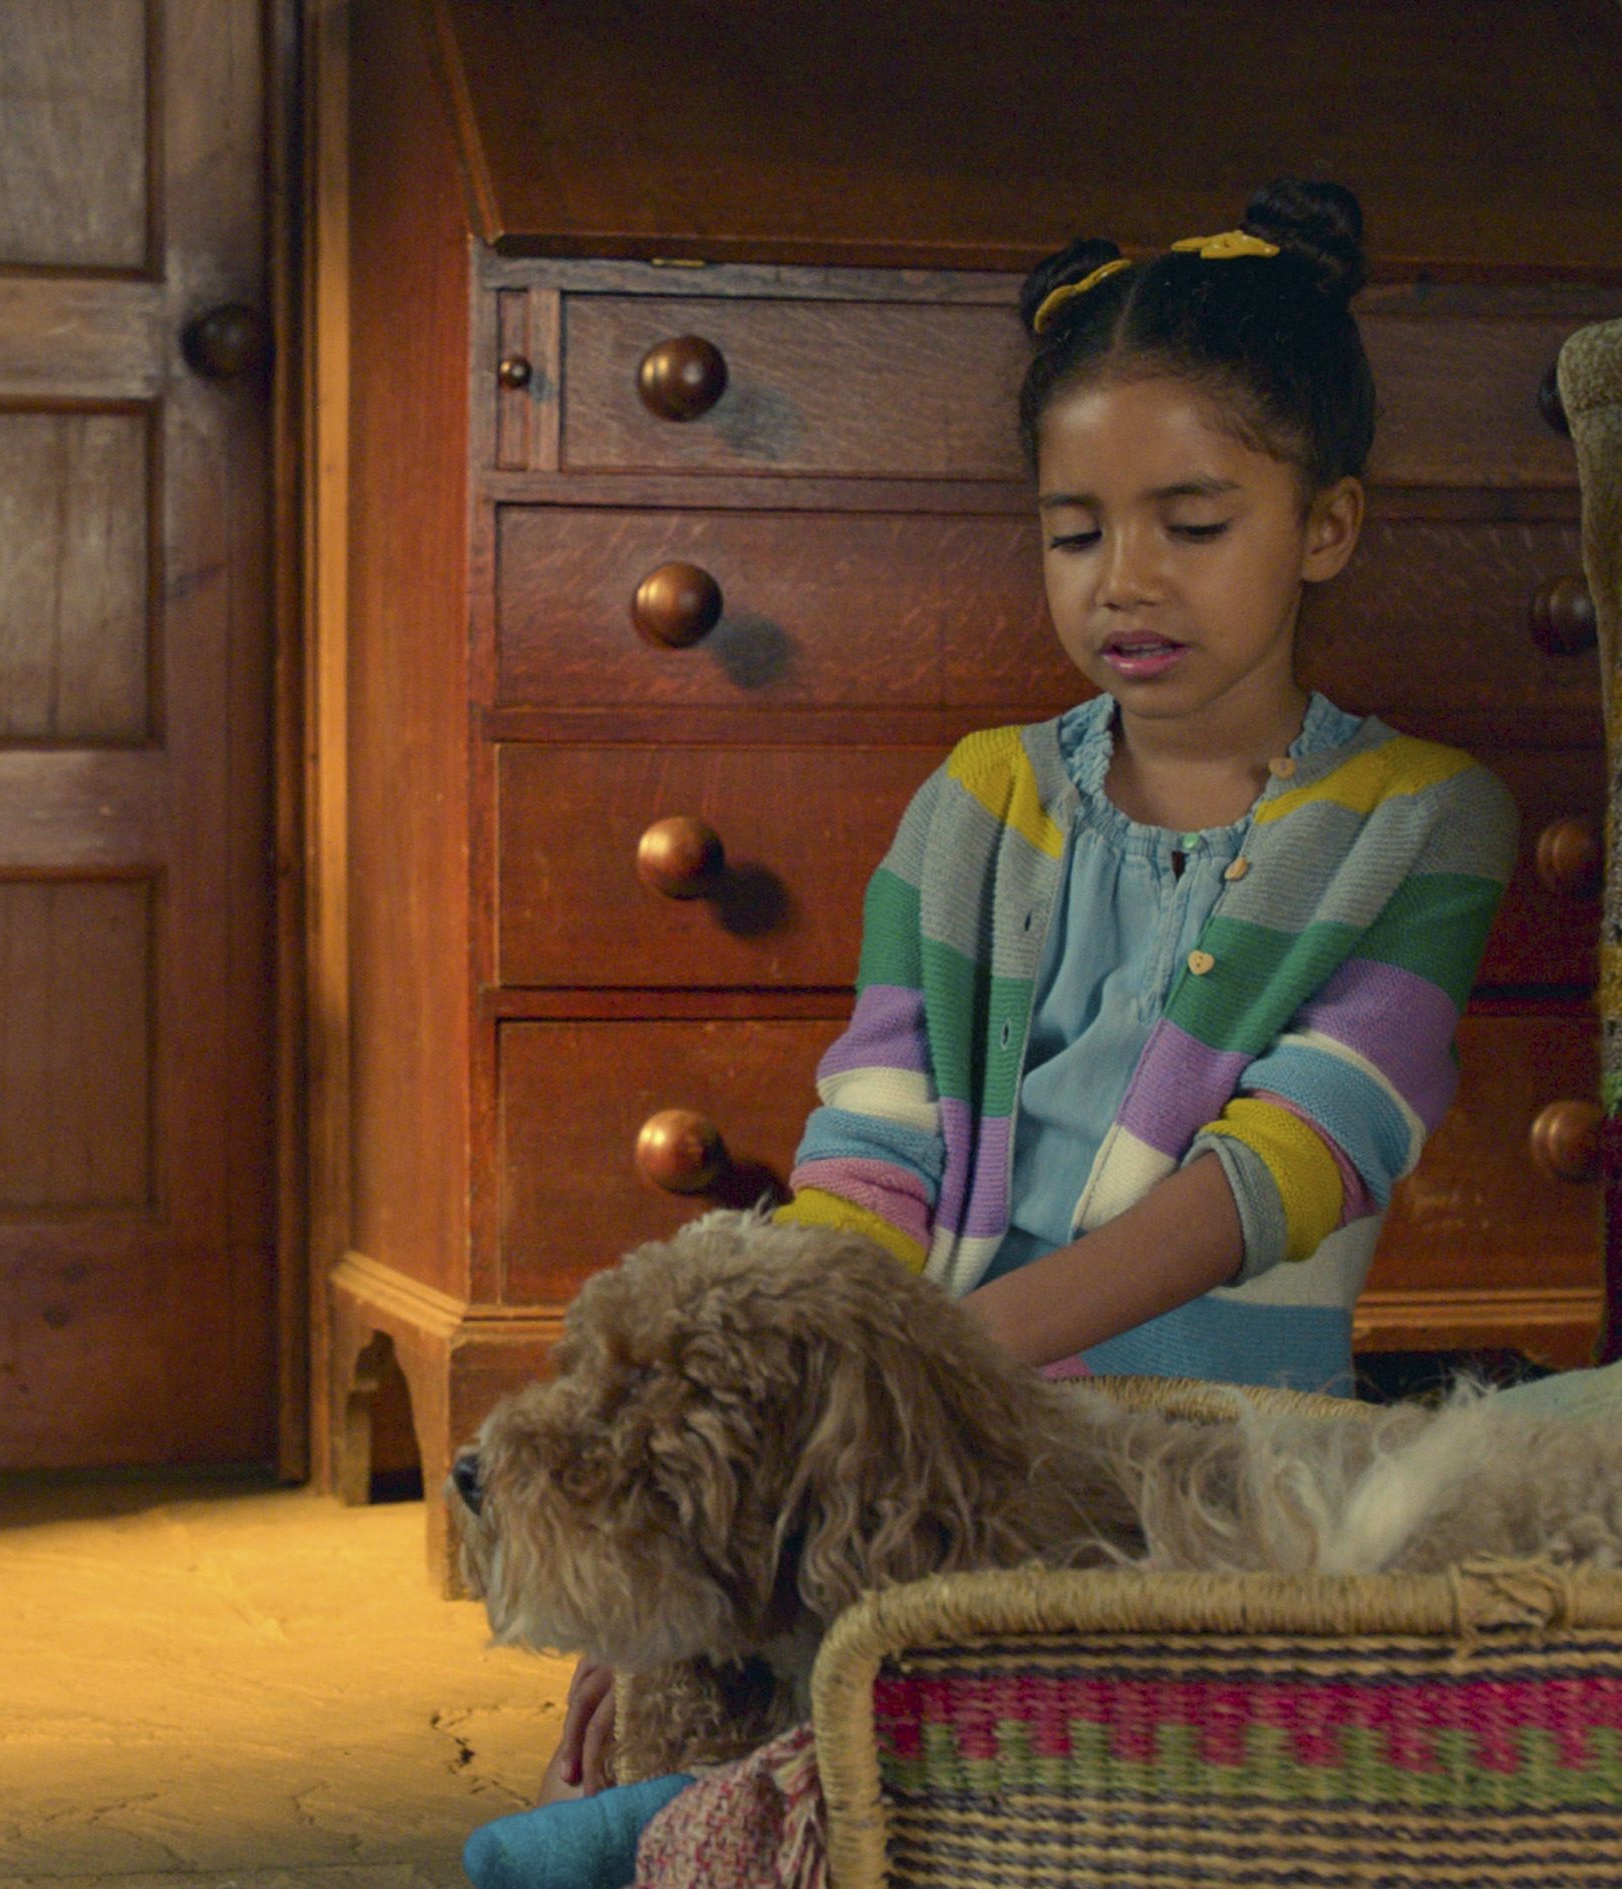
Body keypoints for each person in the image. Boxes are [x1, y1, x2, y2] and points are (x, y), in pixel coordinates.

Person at [470, 178, 1517, 1889]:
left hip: (1209, 1447)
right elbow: (871, 1150)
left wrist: (956, 1364)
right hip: (923, 1422)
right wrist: (822, 1384)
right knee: (727, 1568)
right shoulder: (976, 804)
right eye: (1074, 530)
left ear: (1324, 525)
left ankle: (704, 1823)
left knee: (1050, 1702)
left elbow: (1288, 1164)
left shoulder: (1419, 819)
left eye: (1193, 522)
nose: (1125, 581)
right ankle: (703, 1798)